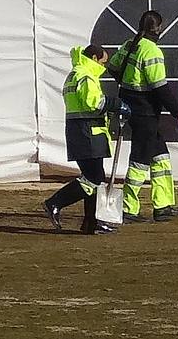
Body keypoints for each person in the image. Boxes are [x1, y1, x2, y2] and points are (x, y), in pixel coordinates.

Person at [116, 10, 178, 222]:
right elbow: (160, 88)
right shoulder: (152, 51)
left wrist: (129, 87)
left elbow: (113, 68)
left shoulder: (129, 44)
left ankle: (163, 205)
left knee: (161, 157)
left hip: (133, 108)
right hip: (145, 112)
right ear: (158, 29)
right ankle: (129, 209)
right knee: (140, 160)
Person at [44, 44, 122, 234]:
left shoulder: (74, 74)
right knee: (93, 178)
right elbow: (94, 103)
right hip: (88, 132)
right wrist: (116, 104)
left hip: (80, 131)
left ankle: (90, 222)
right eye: (103, 62)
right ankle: (55, 202)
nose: (104, 68)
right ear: (94, 58)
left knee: (95, 176)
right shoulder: (86, 75)